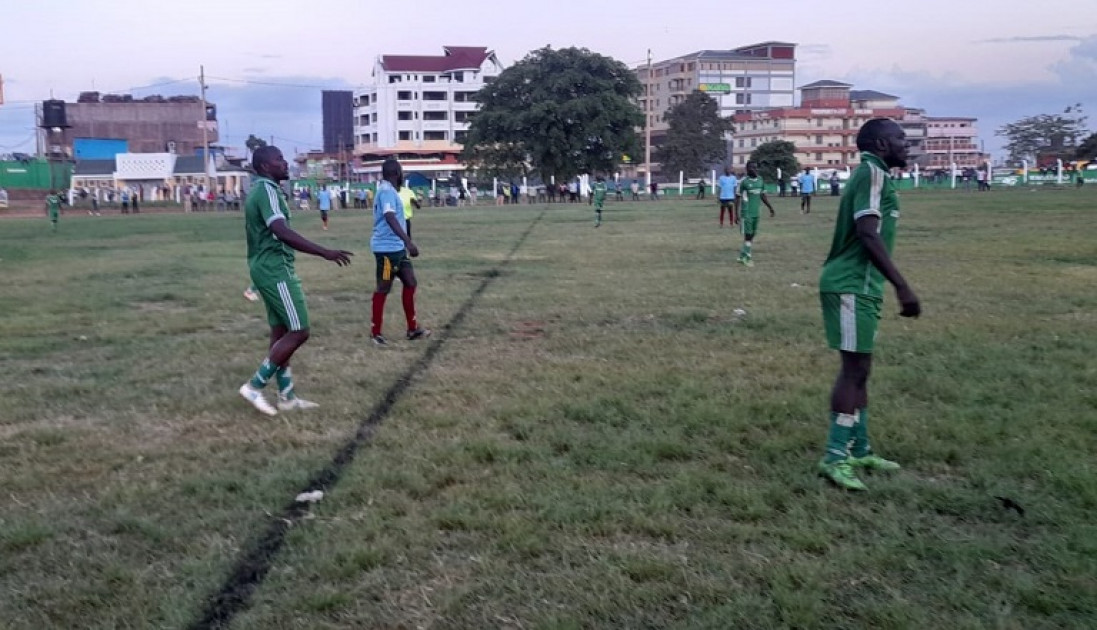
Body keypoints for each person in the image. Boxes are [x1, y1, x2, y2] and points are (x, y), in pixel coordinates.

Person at [817, 118, 920, 491]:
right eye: (900, 139)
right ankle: (835, 458)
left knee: (861, 370)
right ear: (880, 144)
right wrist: (902, 286)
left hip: (863, 287)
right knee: (852, 370)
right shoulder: (871, 174)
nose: (905, 145)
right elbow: (866, 233)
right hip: (850, 286)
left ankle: (858, 448)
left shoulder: (878, 175)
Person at [237, 146, 353, 416]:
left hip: (265, 267)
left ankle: (287, 397)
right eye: (279, 159)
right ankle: (254, 386)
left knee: (280, 333)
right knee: (300, 330)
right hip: (275, 269)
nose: (285, 163)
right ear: (265, 167)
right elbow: (280, 230)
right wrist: (325, 252)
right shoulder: (266, 190)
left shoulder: (261, 189)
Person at [370, 158, 430, 347]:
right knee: (384, 287)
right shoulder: (387, 192)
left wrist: (403, 245)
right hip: (387, 251)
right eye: (401, 171)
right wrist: (408, 242)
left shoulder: (389, 191)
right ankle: (375, 333)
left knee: (410, 282)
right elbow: (389, 216)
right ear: (396, 173)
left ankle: (412, 329)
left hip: (397, 250)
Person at [735, 162, 775, 267]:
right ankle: (747, 258)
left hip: (756, 212)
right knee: (748, 235)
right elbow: (737, 197)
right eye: (752, 168)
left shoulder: (760, 180)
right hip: (746, 213)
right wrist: (736, 214)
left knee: (752, 235)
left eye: (755, 167)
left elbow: (763, 196)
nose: (754, 169)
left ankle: (742, 255)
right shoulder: (744, 182)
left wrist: (770, 208)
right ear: (747, 169)